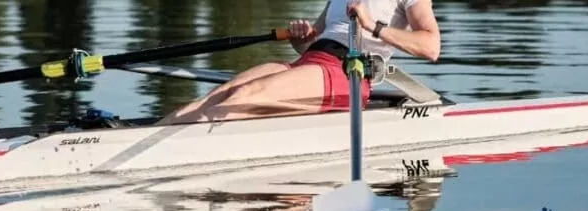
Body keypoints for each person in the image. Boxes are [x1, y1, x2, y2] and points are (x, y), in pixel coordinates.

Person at [157, 0, 440, 125]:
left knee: (245, 96)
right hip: (311, 61)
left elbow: (431, 46)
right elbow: (313, 39)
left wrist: (373, 26)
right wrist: (299, 37)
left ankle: (175, 146)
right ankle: (148, 135)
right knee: (220, 94)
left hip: (348, 73)